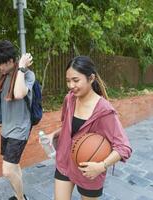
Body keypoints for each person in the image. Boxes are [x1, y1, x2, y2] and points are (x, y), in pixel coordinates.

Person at [45, 56, 132, 200]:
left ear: (91, 78)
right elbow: (68, 126)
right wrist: (53, 134)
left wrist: (101, 166)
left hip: (89, 170)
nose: (71, 85)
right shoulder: (69, 99)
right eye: (68, 81)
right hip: (64, 161)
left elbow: (124, 147)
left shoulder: (104, 110)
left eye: (76, 80)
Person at [0, 40, 34, 200]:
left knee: (7, 170)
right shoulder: (4, 77)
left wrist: (22, 67)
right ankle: (20, 195)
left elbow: (18, 94)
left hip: (20, 130)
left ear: (10, 61)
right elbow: (3, 100)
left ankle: (21, 199)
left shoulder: (27, 75)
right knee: (14, 165)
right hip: (6, 129)